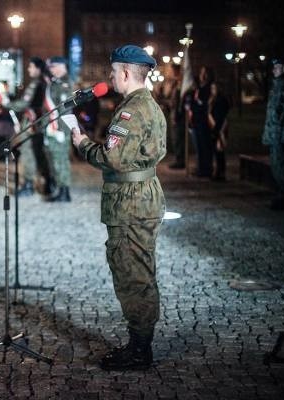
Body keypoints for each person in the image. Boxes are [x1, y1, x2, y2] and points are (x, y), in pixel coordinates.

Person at [71, 45, 166, 370]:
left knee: (131, 272)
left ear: (126, 73)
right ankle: (141, 342)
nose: (111, 77)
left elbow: (113, 157)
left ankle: (139, 350)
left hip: (130, 202)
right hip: (143, 195)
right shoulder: (149, 105)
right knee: (141, 268)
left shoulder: (131, 110)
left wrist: (83, 145)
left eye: (113, 72)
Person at [7, 57, 51, 196]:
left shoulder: (36, 83)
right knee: (39, 152)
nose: (29, 69)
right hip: (41, 122)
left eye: (31, 67)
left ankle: (28, 184)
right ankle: (48, 182)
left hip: (32, 123)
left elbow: (24, 103)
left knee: (28, 152)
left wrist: (7, 104)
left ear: (38, 69)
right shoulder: (46, 82)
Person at [263, 58, 284, 210]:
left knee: (282, 166)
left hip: (280, 136)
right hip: (273, 134)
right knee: (276, 166)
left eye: (277, 67)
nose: (274, 70)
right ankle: (280, 194)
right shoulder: (275, 87)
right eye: (274, 67)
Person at [43, 56, 74, 202]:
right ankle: (59, 188)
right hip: (52, 128)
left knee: (61, 160)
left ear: (62, 66)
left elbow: (65, 109)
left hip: (60, 129)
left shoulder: (65, 84)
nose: (51, 70)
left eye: (53, 66)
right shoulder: (55, 83)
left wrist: (60, 129)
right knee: (55, 160)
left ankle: (64, 191)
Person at [189, 66, 215, 177]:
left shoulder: (210, 88)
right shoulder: (198, 88)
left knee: (205, 146)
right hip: (196, 122)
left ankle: (206, 169)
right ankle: (200, 167)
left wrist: (199, 101)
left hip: (204, 122)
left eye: (205, 73)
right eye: (201, 73)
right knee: (198, 147)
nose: (203, 75)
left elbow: (207, 104)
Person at [207, 81, 230, 181]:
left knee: (219, 151)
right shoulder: (212, 99)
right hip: (213, 127)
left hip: (220, 128)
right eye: (212, 88)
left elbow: (222, 115)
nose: (213, 90)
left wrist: (218, 129)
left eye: (215, 88)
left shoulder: (222, 100)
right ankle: (217, 172)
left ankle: (221, 173)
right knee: (216, 152)